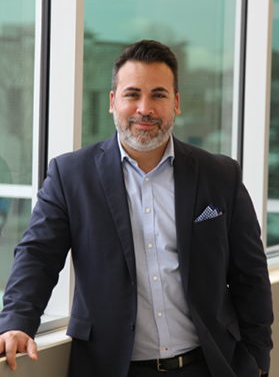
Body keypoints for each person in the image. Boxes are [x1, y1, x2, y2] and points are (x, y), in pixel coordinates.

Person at [0, 40, 273, 377]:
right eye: (132, 94)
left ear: (176, 104)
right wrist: (16, 322)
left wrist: (259, 359)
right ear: (114, 102)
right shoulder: (70, 176)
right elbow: (38, 255)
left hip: (209, 365)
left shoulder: (220, 174)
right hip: (112, 367)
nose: (145, 108)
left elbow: (250, 275)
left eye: (158, 95)